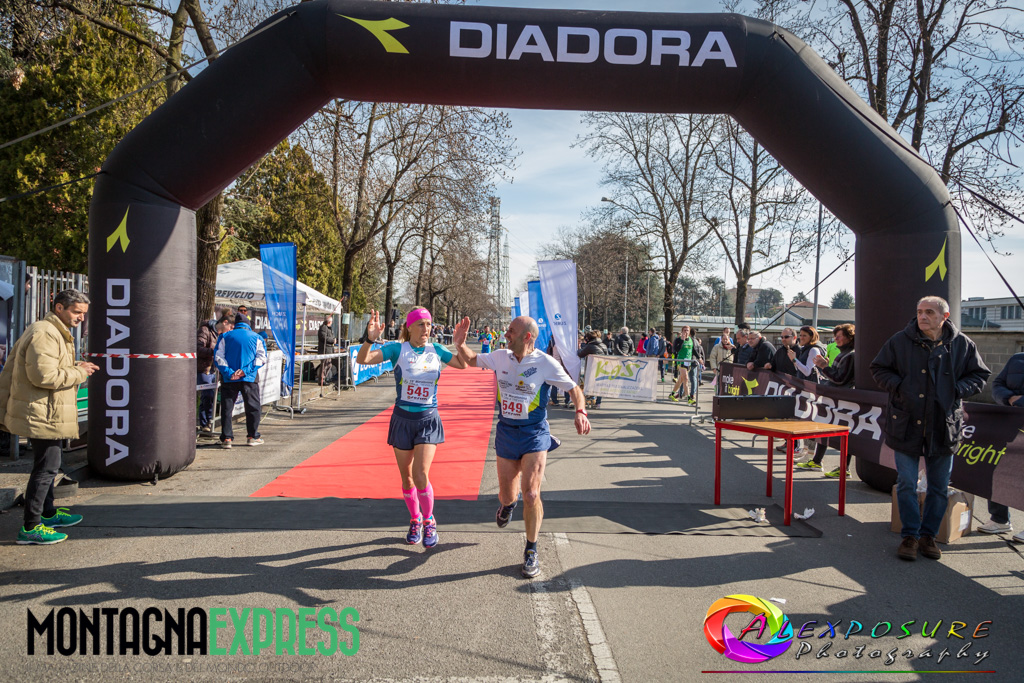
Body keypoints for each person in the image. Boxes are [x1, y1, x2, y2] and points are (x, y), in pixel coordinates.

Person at [454, 315, 592, 578]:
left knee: (531, 494)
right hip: (506, 432)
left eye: (511, 331)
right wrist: (460, 344)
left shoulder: (545, 362)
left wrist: (580, 412)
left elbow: (574, 389)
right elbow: (471, 360)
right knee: (509, 496)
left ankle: (531, 549)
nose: (506, 334)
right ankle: (508, 506)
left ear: (527, 337)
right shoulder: (500, 357)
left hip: (534, 433)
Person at [870, 297, 990, 562]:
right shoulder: (899, 340)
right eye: (919, 312)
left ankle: (929, 536)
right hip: (906, 423)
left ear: (944, 316)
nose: (922, 316)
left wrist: (957, 389)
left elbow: (979, 375)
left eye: (929, 312)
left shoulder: (962, 344)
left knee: (938, 486)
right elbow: (878, 368)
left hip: (943, 426)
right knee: (906, 483)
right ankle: (910, 536)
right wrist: (900, 387)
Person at [358, 307, 467, 549]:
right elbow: (362, 360)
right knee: (407, 479)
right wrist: (369, 340)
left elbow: (462, 364)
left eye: (429, 324)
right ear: (409, 327)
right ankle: (415, 519)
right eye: (421, 324)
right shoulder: (398, 350)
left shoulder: (436, 350)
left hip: (428, 419)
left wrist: (459, 344)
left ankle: (429, 521)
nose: (426, 329)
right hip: (402, 420)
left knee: (420, 475)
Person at [0, 289, 98, 545]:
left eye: (83, 314)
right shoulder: (45, 332)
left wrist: (75, 367)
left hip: (46, 410)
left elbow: (48, 369)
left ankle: (48, 514)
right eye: (77, 312)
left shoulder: (53, 331)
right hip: (42, 412)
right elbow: (44, 377)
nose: (81, 318)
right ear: (59, 308)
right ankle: (31, 527)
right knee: (46, 468)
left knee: (48, 465)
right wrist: (80, 373)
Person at [976, 350, 1024, 542]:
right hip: (1010, 425)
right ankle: (999, 519)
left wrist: (1020, 401)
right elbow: (997, 384)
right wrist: (1008, 398)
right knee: (999, 470)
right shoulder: (1017, 358)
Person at [797, 324, 856, 475]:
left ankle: (844, 469)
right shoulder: (844, 354)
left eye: (839, 336)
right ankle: (817, 461)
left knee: (844, 435)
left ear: (849, 337)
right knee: (824, 428)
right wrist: (825, 367)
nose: (836, 339)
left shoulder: (850, 356)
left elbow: (839, 379)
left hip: (843, 401)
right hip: (834, 399)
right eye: (835, 336)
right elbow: (835, 376)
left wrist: (824, 366)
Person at [214, 313, 267, 448]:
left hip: (229, 378)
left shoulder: (224, 336)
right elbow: (261, 358)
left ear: (235, 324)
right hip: (249, 377)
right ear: (248, 325)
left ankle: (227, 438)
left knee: (227, 408)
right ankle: (252, 436)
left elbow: (218, 357)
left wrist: (229, 372)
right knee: (253, 407)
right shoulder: (257, 337)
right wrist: (245, 371)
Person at [197, 315, 234, 434]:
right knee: (207, 395)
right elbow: (197, 348)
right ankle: (206, 422)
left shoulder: (223, 335)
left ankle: (208, 422)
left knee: (210, 396)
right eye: (230, 327)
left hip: (215, 369)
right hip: (204, 369)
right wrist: (215, 352)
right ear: (225, 322)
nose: (231, 330)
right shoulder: (205, 330)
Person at [577, 330, 607, 409]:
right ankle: (598, 403)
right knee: (599, 385)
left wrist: (579, 348)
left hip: (592, 368)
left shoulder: (590, 346)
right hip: (602, 367)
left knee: (590, 383)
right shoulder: (603, 345)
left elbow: (580, 354)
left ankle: (591, 398)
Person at [669, 326, 698, 404]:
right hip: (680, 361)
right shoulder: (678, 340)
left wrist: (700, 358)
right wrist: (682, 340)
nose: (686, 332)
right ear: (682, 331)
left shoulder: (691, 340)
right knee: (686, 379)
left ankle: (672, 394)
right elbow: (676, 350)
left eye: (687, 330)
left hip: (688, 362)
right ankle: (689, 398)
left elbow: (694, 350)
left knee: (681, 380)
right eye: (684, 330)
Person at [317, 313, 336, 384]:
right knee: (324, 365)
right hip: (325, 350)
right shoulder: (323, 328)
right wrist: (332, 340)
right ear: (329, 322)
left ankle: (325, 378)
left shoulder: (329, 329)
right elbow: (324, 337)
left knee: (329, 365)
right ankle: (322, 380)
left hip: (329, 349)